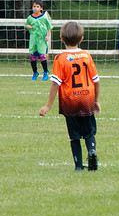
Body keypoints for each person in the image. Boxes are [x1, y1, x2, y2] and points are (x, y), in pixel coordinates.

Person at [38, 21, 101, 171]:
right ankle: (92, 151)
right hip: (87, 99)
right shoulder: (86, 56)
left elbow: (55, 83)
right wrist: (96, 101)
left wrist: (48, 106)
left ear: (61, 38)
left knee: (74, 135)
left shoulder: (60, 59)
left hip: (70, 101)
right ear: (81, 39)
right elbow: (96, 81)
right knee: (89, 132)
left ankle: (78, 165)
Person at [25, 0, 52, 81]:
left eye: (37, 6)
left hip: (41, 40)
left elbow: (49, 27)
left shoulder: (44, 18)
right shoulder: (30, 18)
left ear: (41, 8)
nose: (35, 8)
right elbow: (26, 25)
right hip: (33, 40)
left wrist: (47, 35)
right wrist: (27, 26)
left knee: (42, 55)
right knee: (32, 56)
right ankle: (35, 73)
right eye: (34, 6)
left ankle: (45, 72)